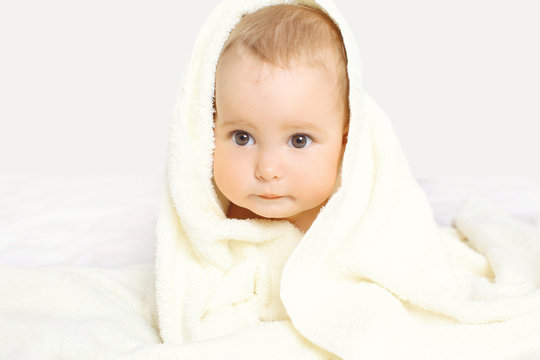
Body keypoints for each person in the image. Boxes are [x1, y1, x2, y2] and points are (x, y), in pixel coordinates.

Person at [212, 4, 349, 233]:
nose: (267, 170)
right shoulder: (211, 225)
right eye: (242, 137)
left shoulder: (351, 230)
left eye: (299, 140)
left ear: (345, 142)